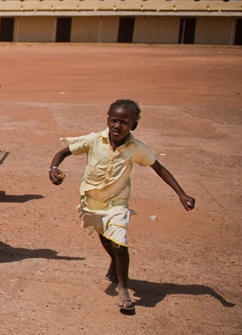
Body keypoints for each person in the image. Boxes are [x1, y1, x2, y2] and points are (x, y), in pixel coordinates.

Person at [48, 100, 195, 313]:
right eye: (114, 120)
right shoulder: (93, 140)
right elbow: (63, 152)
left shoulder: (136, 148)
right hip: (92, 203)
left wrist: (181, 194)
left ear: (133, 126)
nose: (118, 126)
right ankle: (114, 263)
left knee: (120, 243)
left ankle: (123, 288)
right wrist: (53, 168)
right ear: (107, 120)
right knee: (105, 238)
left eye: (124, 122)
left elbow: (159, 168)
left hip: (117, 203)